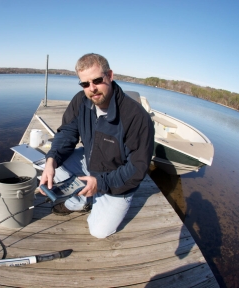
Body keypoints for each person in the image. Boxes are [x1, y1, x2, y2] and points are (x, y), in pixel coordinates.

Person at [39, 53, 154, 239]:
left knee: (98, 231)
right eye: (85, 84)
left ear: (110, 75)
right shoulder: (80, 101)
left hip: (117, 177)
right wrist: (51, 159)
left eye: (97, 80)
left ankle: (101, 197)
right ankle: (82, 200)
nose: (92, 88)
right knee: (53, 166)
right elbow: (67, 133)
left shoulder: (136, 117)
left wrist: (101, 183)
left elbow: (137, 168)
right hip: (91, 160)